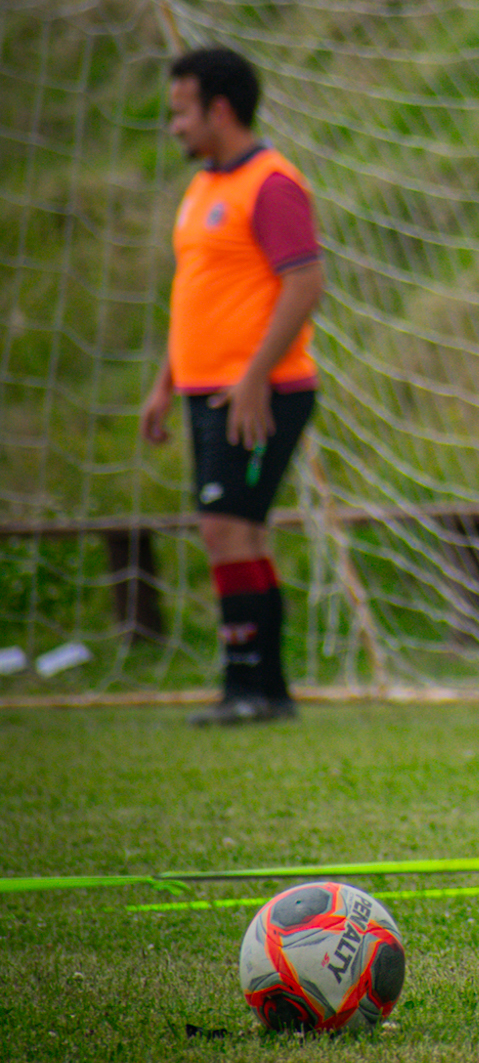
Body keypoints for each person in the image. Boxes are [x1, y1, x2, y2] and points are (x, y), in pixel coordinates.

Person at [138, 48, 324, 726]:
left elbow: (305, 282)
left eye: (181, 113)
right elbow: (196, 297)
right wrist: (165, 384)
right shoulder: (202, 189)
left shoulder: (271, 184)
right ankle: (265, 690)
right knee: (238, 531)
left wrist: (253, 380)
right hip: (206, 391)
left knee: (225, 528)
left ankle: (247, 687)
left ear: (219, 110)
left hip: (257, 394)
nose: (175, 127)